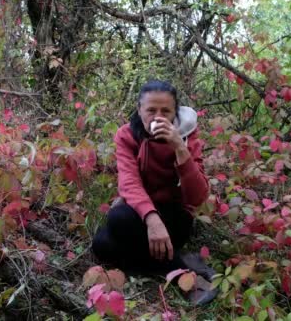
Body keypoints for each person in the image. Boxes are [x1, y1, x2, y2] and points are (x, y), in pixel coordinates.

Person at [91, 80, 217, 305]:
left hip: (176, 216)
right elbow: (129, 183)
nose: (158, 116)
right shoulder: (127, 135)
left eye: (165, 111)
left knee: (118, 220)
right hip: (144, 213)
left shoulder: (187, 135)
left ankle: (186, 279)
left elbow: (198, 197)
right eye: (150, 110)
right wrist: (152, 220)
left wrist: (180, 148)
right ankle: (183, 262)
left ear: (175, 112)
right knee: (102, 244)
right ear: (139, 110)